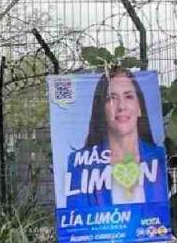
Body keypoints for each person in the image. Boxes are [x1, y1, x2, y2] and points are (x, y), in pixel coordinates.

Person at [65, 68, 168, 209]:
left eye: (128, 96)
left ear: (139, 107)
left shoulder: (158, 157)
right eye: (111, 98)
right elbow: (77, 222)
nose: (121, 106)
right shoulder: (80, 163)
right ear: (101, 108)